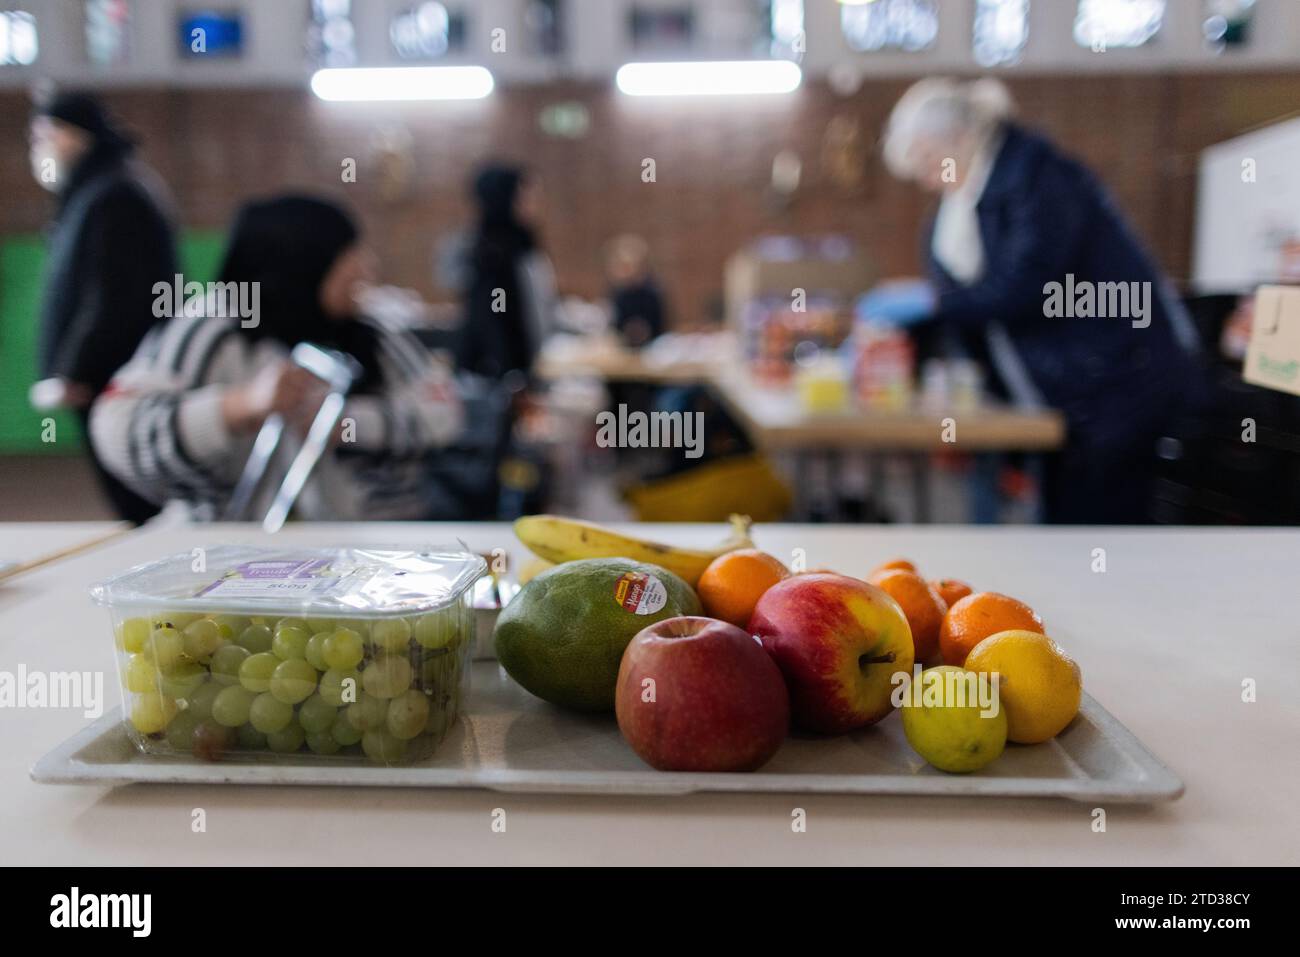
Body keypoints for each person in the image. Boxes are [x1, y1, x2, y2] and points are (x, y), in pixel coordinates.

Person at [872, 77, 1203, 524]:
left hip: (1118, 380)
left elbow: (1026, 288)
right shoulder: (961, 206)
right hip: (1059, 393)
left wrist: (929, 305)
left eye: (929, 160)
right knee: (1060, 526)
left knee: (1100, 530)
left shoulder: (1037, 176)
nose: (929, 179)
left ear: (959, 139)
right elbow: (968, 305)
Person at [89, 196, 462, 521]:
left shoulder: (372, 331)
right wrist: (239, 406)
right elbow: (115, 429)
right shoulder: (212, 329)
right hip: (230, 550)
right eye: (348, 254)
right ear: (303, 263)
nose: (366, 268)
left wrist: (345, 423)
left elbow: (445, 412)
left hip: (373, 545)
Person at [28, 91, 178, 524]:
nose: (39, 146)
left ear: (77, 136)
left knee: (139, 499)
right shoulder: (93, 192)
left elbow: (114, 295)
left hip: (114, 376)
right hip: (102, 376)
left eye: (46, 134)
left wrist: (79, 369)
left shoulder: (117, 194)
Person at [454, 163, 558, 381]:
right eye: (525, 197)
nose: (533, 205)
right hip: (496, 375)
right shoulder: (491, 252)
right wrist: (508, 372)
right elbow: (491, 318)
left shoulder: (522, 244)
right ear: (505, 199)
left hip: (523, 367)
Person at [605, 234, 666, 348]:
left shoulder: (651, 293)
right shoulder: (618, 292)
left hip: (650, 348)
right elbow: (614, 324)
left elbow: (660, 327)